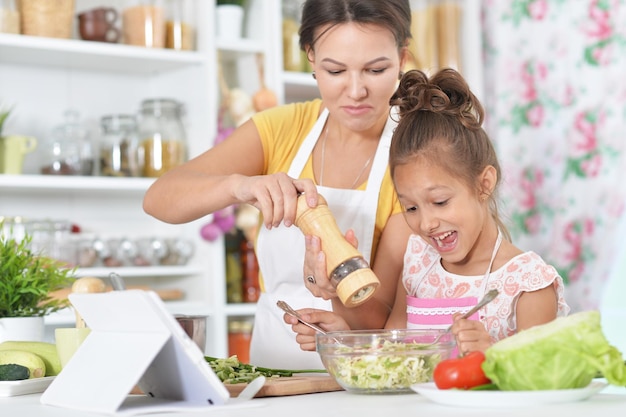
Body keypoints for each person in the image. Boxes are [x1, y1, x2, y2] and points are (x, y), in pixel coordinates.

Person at [143, 0, 414, 369]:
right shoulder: (281, 128)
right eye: (335, 71)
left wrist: (333, 288)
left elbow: (377, 318)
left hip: (356, 372)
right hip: (270, 371)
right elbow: (159, 200)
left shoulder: (415, 151)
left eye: (376, 69)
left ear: (401, 58)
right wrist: (240, 186)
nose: (356, 91)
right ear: (311, 59)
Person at [286, 68, 570, 355]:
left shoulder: (529, 283)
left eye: (440, 201)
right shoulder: (418, 265)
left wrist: (491, 353)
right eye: (410, 207)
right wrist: (342, 338)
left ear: (484, 184)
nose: (426, 223)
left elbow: (541, 384)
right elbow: (392, 355)